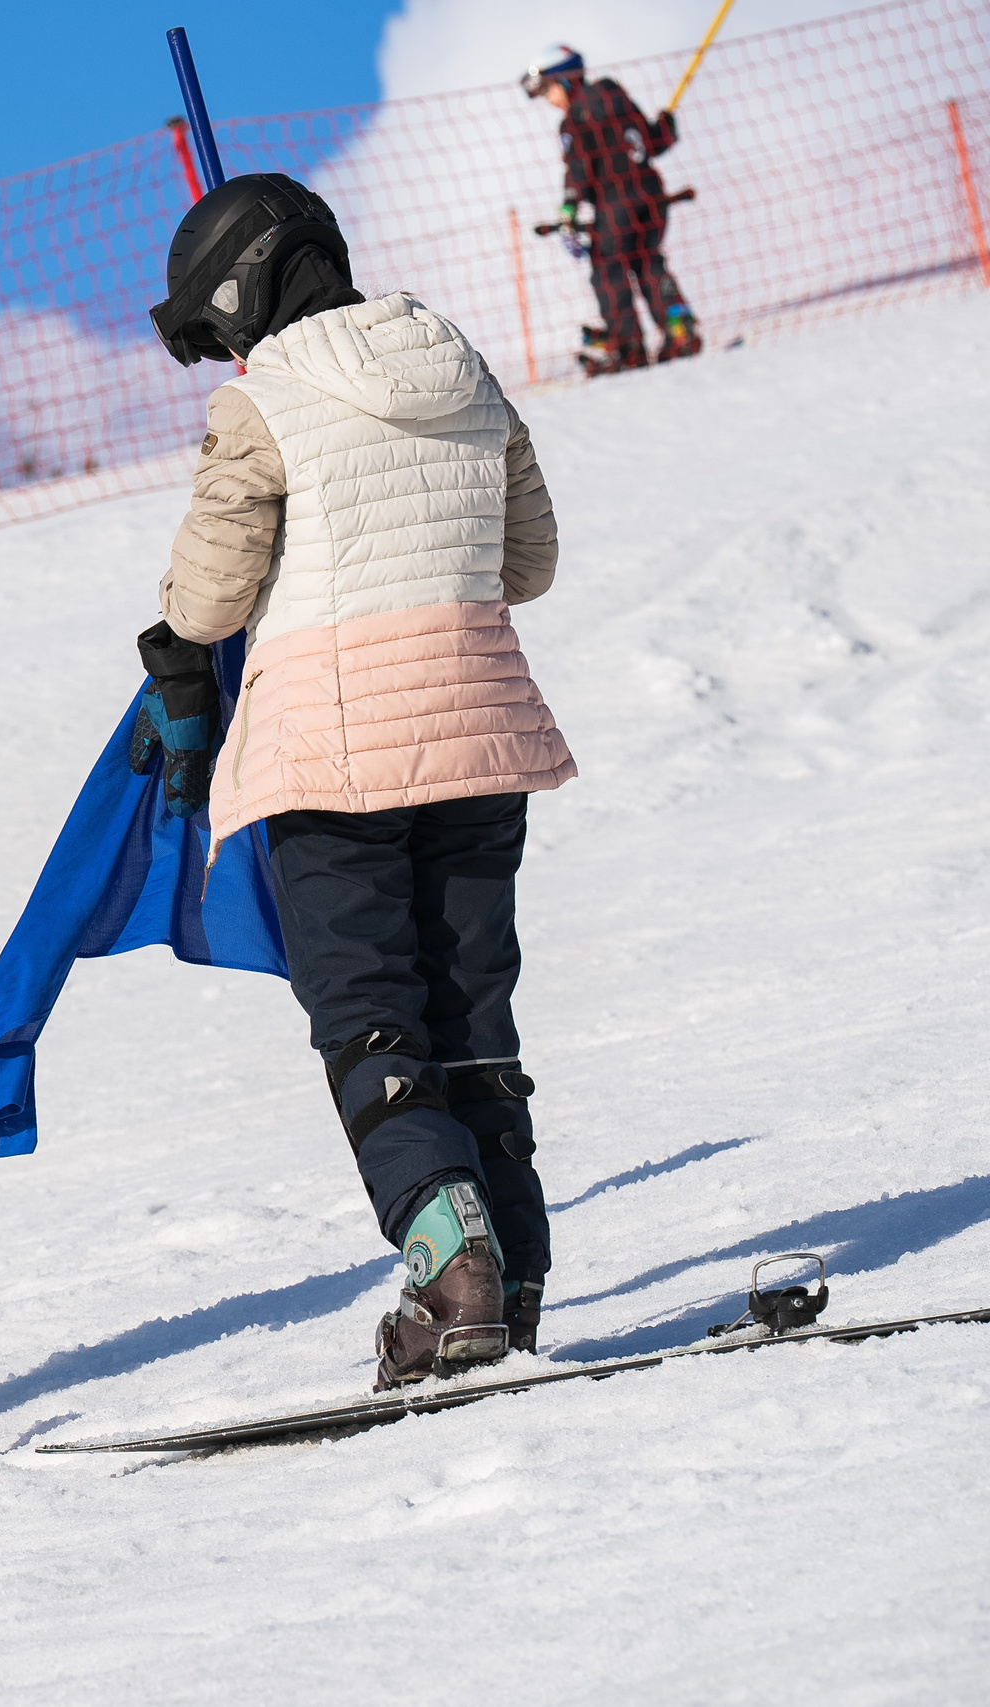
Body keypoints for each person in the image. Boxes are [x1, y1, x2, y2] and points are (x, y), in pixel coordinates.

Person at [144, 173, 574, 1390]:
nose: (223, 349)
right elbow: (528, 565)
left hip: (331, 757)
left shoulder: (260, 402)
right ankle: (512, 1278)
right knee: (472, 1013)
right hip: (478, 737)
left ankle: (450, 1271)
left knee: (370, 1016)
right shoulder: (463, 368)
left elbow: (207, 601)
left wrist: (181, 633)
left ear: (240, 294)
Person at [524, 42, 702, 373]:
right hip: (653, 198)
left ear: (566, 80)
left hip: (615, 202)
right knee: (648, 260)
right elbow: (651, 142)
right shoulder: (614, 94)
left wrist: (569, 209)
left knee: (608, 268)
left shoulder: (573, 120)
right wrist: (665, 126)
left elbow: (579, 168)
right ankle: (679, 328)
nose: (548, 100)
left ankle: (627, 346)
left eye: (548, 90)